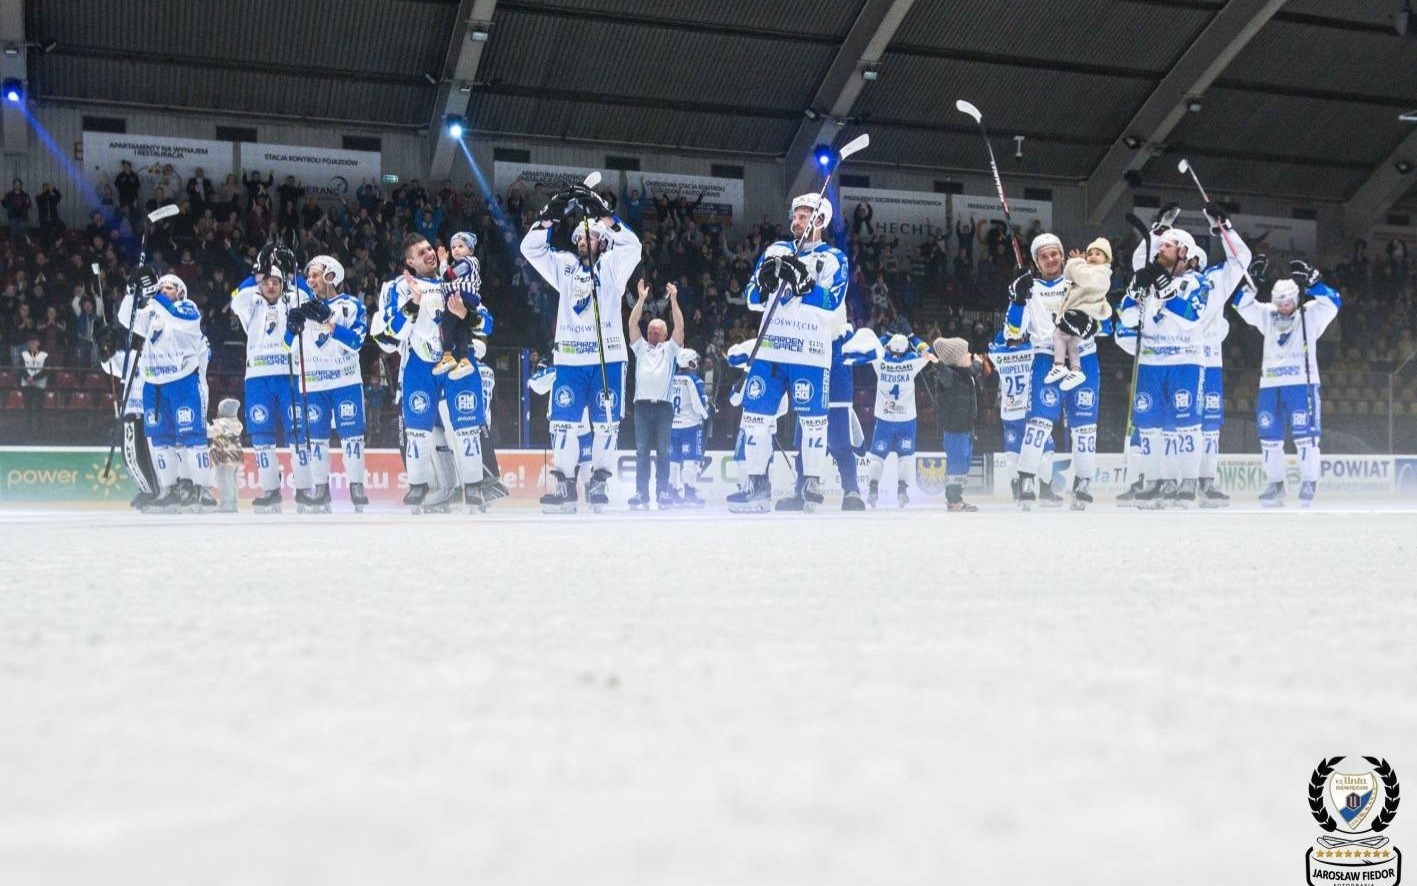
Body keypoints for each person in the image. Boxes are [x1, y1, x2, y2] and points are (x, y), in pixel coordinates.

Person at [520, 183, 641, 514]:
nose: (586, 241)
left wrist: (605, 215)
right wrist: (549, 217)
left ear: (603, 242)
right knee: (563, 424)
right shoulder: (564, 266)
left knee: (605, 425)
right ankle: (564, 486)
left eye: (593, 237)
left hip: (608, 359)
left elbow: (634, 244)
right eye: (581, 237)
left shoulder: (614, 266)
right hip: (570, 361)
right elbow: (530, 249)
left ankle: (599, 481)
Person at [1120, 205, 1249, 507]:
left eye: (1168, 244)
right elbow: (1127, 318)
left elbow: (1191, 317)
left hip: (1186, 361)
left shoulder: (1200, 281)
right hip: (1151, 361)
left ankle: (1190, 485)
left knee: (1190, 426)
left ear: (1187, 254)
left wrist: (1225, 228)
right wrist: (1156, 231)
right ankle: (1154, 483)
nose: (1161, 248)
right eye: (1162, 244)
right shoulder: (1151, 276)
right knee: (1150, 426)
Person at [727, 192, 847, 513]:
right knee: (754, 419)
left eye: (804, 216)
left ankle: (810, 484)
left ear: (820, 220)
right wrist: (765, 285)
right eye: (794, 216)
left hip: (810, 352)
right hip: (771, 351)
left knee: (813, 423)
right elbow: (752, 297)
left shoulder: (834, 258)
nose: (796, 221)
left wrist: (805, 283)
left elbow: (832, 302)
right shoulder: (776, 250)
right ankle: (757, 486)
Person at [369, 233, 488, 513]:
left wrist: (466, 316)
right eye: (421, 253)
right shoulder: (397, 287)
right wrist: (412, 304)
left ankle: (473, 487)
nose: (429, 254)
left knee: (467, 427)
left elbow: (487, 323)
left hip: (458, 360)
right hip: (420, 365)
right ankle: (418, 486)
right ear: (410, 261)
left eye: (430, 249)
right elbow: (390, 332)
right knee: (418, 431)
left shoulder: (456, 277)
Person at [1232, 262, 1340, 507]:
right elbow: (1240, 304)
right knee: (1269, 440)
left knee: (1305, 438)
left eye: (1288, 302)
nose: (1283, 307)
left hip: (1302, 384)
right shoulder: (1268, 314)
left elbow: (1334, 302)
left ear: (1297, 299)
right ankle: (1275, 485)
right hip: (1270, 385)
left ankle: (1309, 482)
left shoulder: (1310, 314)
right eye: (1279, 302)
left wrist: (1315, 281)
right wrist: (1252, 283)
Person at [1003, 233, 1097, 510]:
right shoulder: (1028, 289)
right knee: (1040, 422)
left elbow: (1106, 322)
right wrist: (1017, 301)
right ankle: (1027, 479)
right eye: (1043, 256)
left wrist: (1091, 325)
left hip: (1084, 356)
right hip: (1046, 356)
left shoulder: (1080, 281)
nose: (1051, 259)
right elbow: (1012, 334)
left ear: (1063, 254)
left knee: (1085, 427)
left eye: (1054, 253)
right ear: (1035, 261)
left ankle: (1084, 483)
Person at [117, 271, 216, 513]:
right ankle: (168, 489)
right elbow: (125, 318)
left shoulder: (187, 310)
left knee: (192, 438)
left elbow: (173, 315)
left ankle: (201, 488)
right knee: (161, 441)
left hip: (183, 381)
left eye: (168, 288)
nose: (162, 291)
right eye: (159, 288)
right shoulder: (151, 313)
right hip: (154, 383)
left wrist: (152, 294)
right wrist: (132, 292)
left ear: (180, 293)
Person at [230, 244, 312, 513]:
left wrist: (292, 274)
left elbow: (310, 296)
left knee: (297, 432)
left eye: (275, 281)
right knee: (261, 435)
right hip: (257, 379)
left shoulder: (293, 300)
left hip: (289, 375)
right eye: (266, 282)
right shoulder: (250, 305)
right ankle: (270, 490)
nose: (270, 286)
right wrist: (257, 271)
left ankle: (303, 489)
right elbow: (236, 297)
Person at [286, 255, 369, 513]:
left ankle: (357, 489)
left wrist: (330, 324)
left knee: (352, 438)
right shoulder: (302, 306)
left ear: (331, 275)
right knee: (317, 440)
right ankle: (320, 490)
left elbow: (357, 342)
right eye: (308, 276)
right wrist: (292, 326)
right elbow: (286, 347)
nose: (310, 280)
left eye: (315, 275)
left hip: (345, 380)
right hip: (313, 383)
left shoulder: (351, 305)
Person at [627, 277, 683, 509]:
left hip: (663, 407)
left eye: (657, 332)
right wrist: (640, 300)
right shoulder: (640, 348)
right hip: (641, 405)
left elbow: (679, 327)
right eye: (650, 331)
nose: (651, 335)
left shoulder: (670, 350)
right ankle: (642, 493)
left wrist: (675, 301)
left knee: (663, 450)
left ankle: (662, 492)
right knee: (641, 451)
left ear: (665, 334)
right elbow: (632, 325)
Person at [864, 332, 935, 507]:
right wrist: (913, 337)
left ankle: (873, 490)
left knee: (877, 458)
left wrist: (885, 336)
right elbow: (928, 352)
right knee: (906, 457)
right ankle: (902, 491)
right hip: (907, 420)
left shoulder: (880, 361)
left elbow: (871, 346)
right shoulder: (911, 363)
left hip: (884, 419)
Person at [988, 330, 1056, 504]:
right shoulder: (1030, 350)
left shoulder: (997, 354)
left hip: (1009, 412)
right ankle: (1046, 491)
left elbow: (995, 343)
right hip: (1030, 411)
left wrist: (1008, 329)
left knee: (1013, 455)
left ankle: (1017, 490)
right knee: (1046, 451)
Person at [1045, 239, 1113, 392]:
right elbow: (1068, 275)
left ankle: (1059, 365)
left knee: (1059, 334)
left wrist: (1077, 261)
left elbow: (1080, 276)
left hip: (1083, 314)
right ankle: (1076, 370)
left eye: (1098, 254)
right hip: (1082, 315)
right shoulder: (1088, 270)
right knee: (1072, 342)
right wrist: (1079, 263)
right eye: (1090, 254)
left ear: (1106, 260)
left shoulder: (1101, 273)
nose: (1092, 256)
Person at [100, 334, 159, 509]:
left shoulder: (156, 353)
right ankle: (147, 489)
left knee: (153, 457)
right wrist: (103, 349)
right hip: (132, 409)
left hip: (151, 412)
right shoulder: (129, 356)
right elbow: (110, 365)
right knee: (131, 456)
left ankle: (157, 490)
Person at [933, 336, 982, 511]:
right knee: (957, 464)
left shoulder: (965, 373)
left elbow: (974, 370)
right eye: (966, 352)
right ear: (956, 358)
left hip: (966, 427)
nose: (969, 354)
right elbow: (944, 374)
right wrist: (938, 364)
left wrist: (978, 363)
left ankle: (956, 497)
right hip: (954, 429)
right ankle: (953, 500)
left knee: (964, 463)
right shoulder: (950, 375)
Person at [431, 231, 483, 381]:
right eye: (453, 247)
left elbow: (448, 276)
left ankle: (447, 354)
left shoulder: (467, 262)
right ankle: (464, 359)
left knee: (446, 324)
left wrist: (442, 261)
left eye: (461, 246)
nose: (456, 250)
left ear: (471, 250)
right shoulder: (462, 263)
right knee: (461, 330)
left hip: (460, 296)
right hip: (466, 298)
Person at [669, 348, 710, 508]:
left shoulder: (671, 378)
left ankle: (671, 491)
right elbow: (699, 404)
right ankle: (689, 493)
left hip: (672, 425)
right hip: (690, 426)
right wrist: (708, 411)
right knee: (690, 461)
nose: (697, 364)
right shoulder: (694, 380)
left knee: (673, 460)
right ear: (690, 362)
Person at [208, 397, 243, 513]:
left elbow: (210, 432)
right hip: (234, 456)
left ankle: (227, 503)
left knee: (223, 479)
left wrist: (203, 424)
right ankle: (232, 502)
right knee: (231, 480)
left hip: (225, 457)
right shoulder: (235, 423)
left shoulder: (224, 424)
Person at [19, 334, 47, 433]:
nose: (32, 343)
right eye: (31, 341)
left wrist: (34, 378)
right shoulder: (23, 354)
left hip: (39, 385)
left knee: (39, 405)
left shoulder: (44, 355)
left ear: (38, 343)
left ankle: (40, 426)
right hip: (26, 384)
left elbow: (45, 371)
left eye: (34, 341)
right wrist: (28, 378)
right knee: (28, 405)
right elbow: (21, 369)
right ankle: (28, 426)